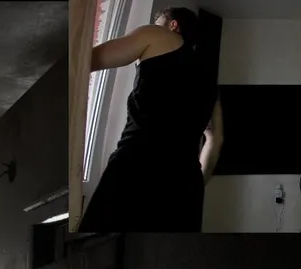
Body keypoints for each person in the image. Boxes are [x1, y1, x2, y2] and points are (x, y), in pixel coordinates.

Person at [79, 7, 222, 232]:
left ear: (173, 25)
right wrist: (194, 184)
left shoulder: (158, 35)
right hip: (186, 186)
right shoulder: (209, 82)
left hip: (137, 168)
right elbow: (215, 140)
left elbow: (85, 61)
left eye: (159, 22)